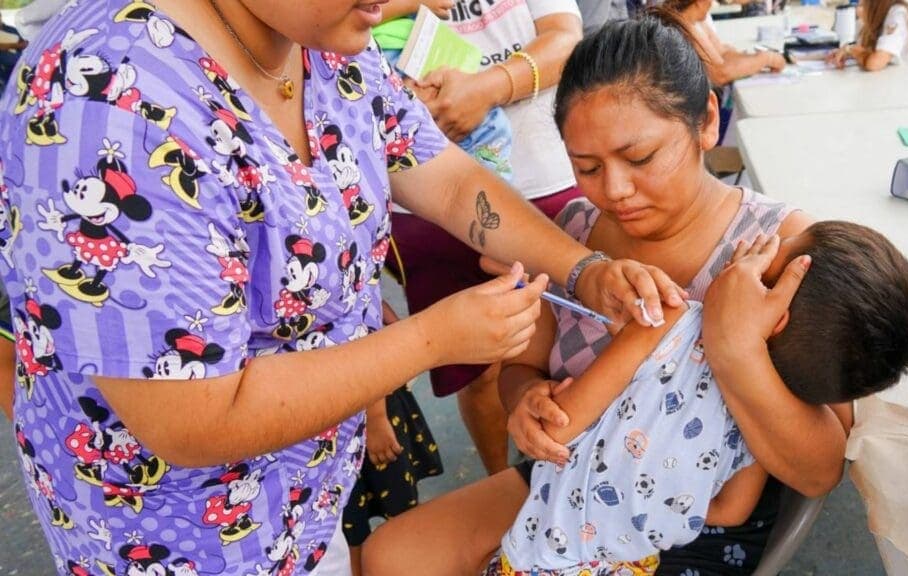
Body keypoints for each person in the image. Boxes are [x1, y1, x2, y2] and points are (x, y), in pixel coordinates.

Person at [0, 2, 683, 575]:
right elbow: (193, 418)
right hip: (182, 544)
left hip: (309, 500)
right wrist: (433, 337)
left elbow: (444, 178)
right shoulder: (105, 105)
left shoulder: (324, 41)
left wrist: (582, 269)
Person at [363, 17, 856, 576]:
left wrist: (732, 346)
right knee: (391, 556)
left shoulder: (780, 249)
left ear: (707, 122)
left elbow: (819, 471)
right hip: (581, 476)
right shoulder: (574, 227)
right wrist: (526, 402)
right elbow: (523, 368)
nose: (615, 191)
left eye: (640, 158)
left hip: (705, 515)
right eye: (586, 167)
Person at [481, 225, 908, 575]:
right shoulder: (768, 420)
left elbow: (560, 430)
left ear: (775, 313)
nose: (757, 248)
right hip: (630, 565)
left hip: (539, 555)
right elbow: (729, 510)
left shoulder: (668, 321)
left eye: (773, 254)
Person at [383, 0, 586, 475]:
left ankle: (578, 479)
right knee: (480, 369)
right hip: (421, 199)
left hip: (546, 181)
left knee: (579, 343)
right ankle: (502, 484)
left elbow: (565, 37)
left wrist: (486, 89)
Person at [343, 303, 443, 576]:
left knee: (401, 511)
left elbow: (366, 314)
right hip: (336, 415)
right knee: (349, 525)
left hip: (374, 408)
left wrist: (375, 416)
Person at [373, 0, 514, 182]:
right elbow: (343, 13)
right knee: (489, 128)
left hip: (415, 46)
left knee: (487, 127)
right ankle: (493, 200)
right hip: (387, 54)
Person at [650, 0, 786, 87]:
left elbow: (722, 53)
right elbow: (719, 74)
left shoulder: (697, 21)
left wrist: (752, 60)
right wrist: (766, 59)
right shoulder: (681, 27)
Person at [826, 0, 908, 78]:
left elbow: (874, 63)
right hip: (897, 86)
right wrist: (847, 52)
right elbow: (866, 49)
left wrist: (850, 50)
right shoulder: (879, 11)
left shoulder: (900, 12)